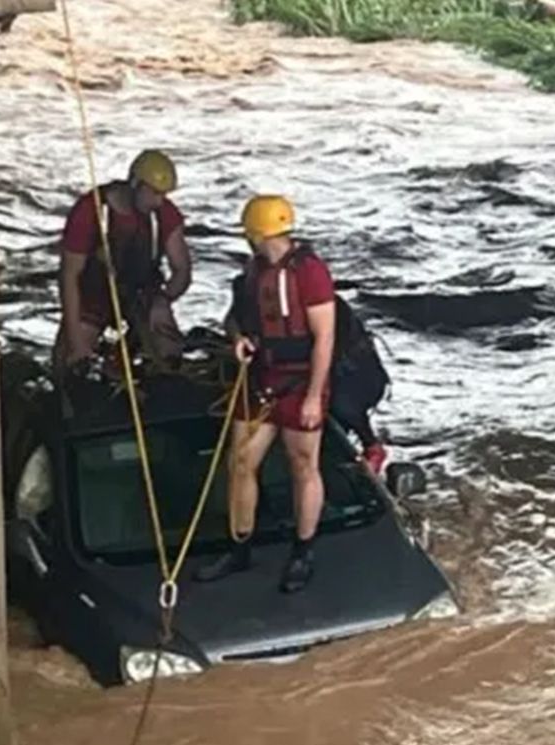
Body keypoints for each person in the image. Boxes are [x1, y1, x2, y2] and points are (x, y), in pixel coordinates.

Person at [195, 195, 335, 593]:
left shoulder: (311, 273)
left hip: (300, 382)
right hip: (261, 380)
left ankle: (303, 551)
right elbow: (234, 318)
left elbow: (325, 337)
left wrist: (312, 397)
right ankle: (239, 548)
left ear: (256, 233)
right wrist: (239, 338)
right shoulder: (253, 273)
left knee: (302, 464)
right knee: (240, 462)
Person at [224, 265, 392, 475]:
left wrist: (309, 392)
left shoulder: (319, 300)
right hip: (285, 370)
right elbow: (232, 319)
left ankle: (371, 446)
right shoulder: (246, 287)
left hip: (350, 369)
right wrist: (238, 337)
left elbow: (327, 348)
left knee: (340, 403)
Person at [54, 149, 192, 370]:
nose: (159, 202)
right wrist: (77, 343)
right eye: (154, 193)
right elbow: (69, 276)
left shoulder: (164, 214)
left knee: (168, 346)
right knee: (70, 359)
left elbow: (182, 270)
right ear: (135, 184)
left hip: (141, 293)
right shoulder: (90, 211)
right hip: (94, 293)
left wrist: (163, 299)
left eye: (163, 195)